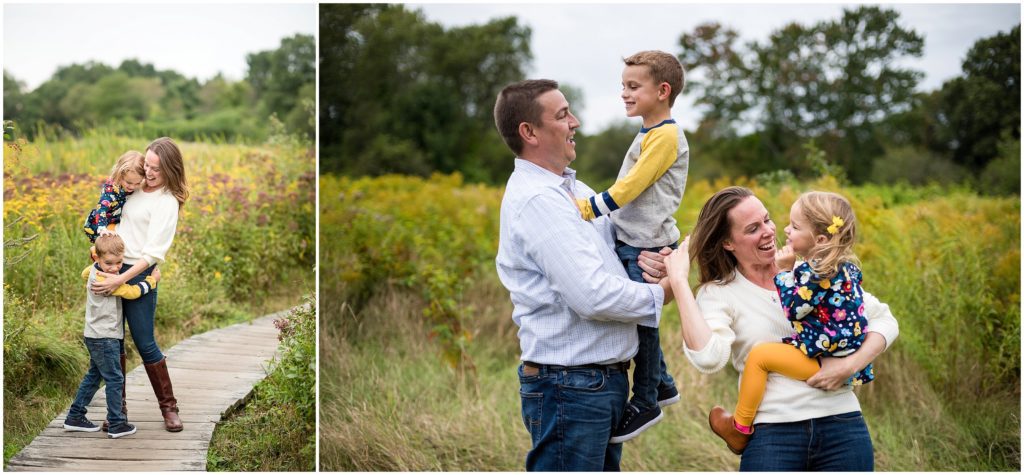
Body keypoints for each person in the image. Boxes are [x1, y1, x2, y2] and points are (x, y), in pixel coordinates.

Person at [493, 79, 673, 471]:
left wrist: (653, 264)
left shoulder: (576, 191)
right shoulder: (538, 200)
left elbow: (620, 254)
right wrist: (664, 293)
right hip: (569, 388)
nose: (575, 122)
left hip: (597, 385)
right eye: (562, 115)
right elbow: (591, 296)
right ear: (529, 132)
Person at [659, 186, 899, 471]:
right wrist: (679, 282)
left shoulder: (815, 271)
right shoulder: (720, 293)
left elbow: (885, 320)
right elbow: (709, 358)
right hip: (774, 435)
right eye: (752, 228)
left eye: (767, 219)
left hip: (842, 424)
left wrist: (849, 365)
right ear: (727, 242)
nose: (769, 231)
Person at [575, 50, 689, 443]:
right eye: (623, 85)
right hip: (636, 241)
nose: (624, 93)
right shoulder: (650, 132)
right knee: (640, 319)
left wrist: (589, 208)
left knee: (643, 322)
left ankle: (645, 400)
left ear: (662, 91)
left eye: (633, 86)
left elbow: (631, 186)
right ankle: (663, 384)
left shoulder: (667, 136)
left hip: (648, 245)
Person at [706, 191, 874, 454]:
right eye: (753, 227)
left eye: (794, 226)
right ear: (727, 242)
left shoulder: (810, 273)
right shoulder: (846, 268)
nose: (779, 229)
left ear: (819, 239)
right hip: (835, 360)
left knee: (760, 356)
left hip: (826, 363)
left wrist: (785, 272)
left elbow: (795, 310)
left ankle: (739, 427)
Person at [91, 137, 189, 433]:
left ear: (170, 169)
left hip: (137, 274)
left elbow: (153, 253)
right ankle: (117, 411)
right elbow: (108, 219)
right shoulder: (130, 187)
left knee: (145, 343)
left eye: (156, 168)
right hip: (110, 267)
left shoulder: (166, 201)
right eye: (147, 164)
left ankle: (169, 408)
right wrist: (100, 258)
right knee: (112, 342)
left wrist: (123, 278)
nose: (148, 171)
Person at [64, 234, 160, 439]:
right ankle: (117, 423)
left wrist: (97, 262)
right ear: (96, 258)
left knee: (95, 375)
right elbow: (133, 292)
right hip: (104, 336)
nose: (115, 269)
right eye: (109, 263)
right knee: (115, 378)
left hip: (95, 334)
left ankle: (75, 416)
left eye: (119, 263)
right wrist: (152, 280)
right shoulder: (109, 281)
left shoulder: (93, 271)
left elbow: (84, 272)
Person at [82, 150, 146, 261]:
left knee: (117, 250)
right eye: (129, 183)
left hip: (119, 221)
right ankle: (96, 255)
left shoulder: (134, 184)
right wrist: (102, 229)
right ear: (119, 175)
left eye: (137, 183)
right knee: (110, 252)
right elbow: (101, 207)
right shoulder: (111, 190)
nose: (133, 187)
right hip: (105, 222)